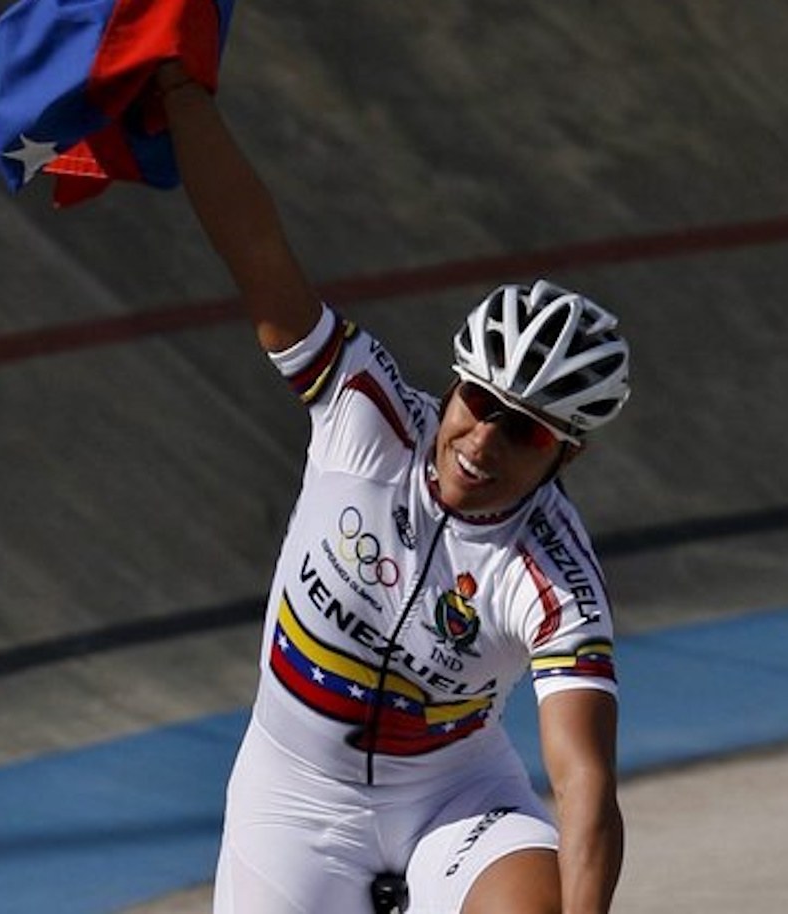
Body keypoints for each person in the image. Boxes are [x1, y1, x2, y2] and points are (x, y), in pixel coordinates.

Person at [153, 57, 630, 913]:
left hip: (454, 803)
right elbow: (258, 250)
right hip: (292, 802)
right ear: (453, 382)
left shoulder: (556, 581)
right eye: (479, 402)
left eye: (523, 432)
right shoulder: (364, 411)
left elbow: (584, 781)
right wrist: (179, 98)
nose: (481, 443)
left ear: (567, 455)